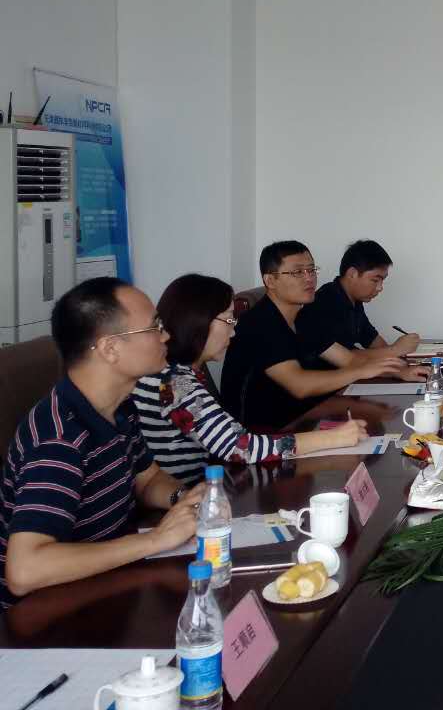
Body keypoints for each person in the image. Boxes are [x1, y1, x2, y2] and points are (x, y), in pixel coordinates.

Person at [0, 278, 207, 607]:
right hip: (50, 611)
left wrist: (186, 500)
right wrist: (156, 539)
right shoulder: (59, 439)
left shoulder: (119, 406)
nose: (165, 336)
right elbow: (25, 570)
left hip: (108, 581)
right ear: (110, 349)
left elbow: (147, 479)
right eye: (154, 327)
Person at [133, 274, 370, 485]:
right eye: (228, 320)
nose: (233, 331)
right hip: (186, 500)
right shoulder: (174, 383)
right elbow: (240, 447)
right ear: (198, 322)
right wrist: (334, 438)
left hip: (207, 487)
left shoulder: (176, 371)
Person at [220, 241, 405, 429]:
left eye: (311, 270)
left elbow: (347, 359)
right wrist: (360, 372)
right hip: (256, 435)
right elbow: (300, 385)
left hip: (300, 415)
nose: (309, 278)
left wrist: (395, 372)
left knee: (382, 424)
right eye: (297, 272)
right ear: (270, 281)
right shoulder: (261, 323)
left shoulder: (304, 318)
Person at [297, 240, 420, 369]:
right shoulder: (326, 302)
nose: (380, 288)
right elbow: (347, 357)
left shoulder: (354, 300)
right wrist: (395, 350)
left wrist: (400, 354)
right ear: (352, 274)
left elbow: (372, 340)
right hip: (325, 378)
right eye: (375, 280)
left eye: (382, 281)